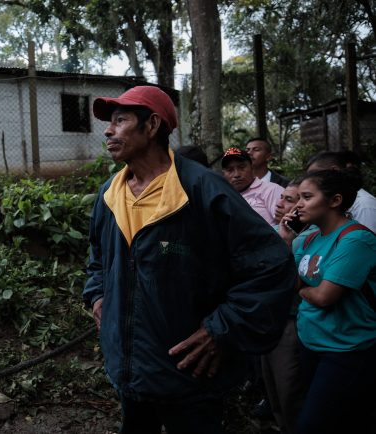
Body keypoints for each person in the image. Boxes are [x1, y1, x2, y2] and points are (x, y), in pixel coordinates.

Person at [83, 85, 297, 434]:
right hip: (130, 368)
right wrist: (97, 294)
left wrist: (222, 328)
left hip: (189, 375)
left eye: (120, 120)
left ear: (151, 125)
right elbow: (98, 257)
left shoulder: (202, 189)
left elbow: (271, 265)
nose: (108, 130)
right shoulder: (109, 193)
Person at [278, 169, 376, 434]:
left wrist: (303, 290)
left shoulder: (355, 239)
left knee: (314, 424)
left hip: (346, 350)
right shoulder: (308, 239)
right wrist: (287, 241)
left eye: (307, 197)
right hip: (311, 343)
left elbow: (323, 297)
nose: (298, 205)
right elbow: (290, 286)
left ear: (334, 201)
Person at [260, 181, 304, 434]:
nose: (280, 203)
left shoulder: (307, 237)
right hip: (269, 317)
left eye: (289, 200)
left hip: (292, 319)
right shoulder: (270, 229)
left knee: (290, 389)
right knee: (273, 386)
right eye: (282, 198)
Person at [305, 151, 376, 232]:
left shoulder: (364, 205)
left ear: (334, 170)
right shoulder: (329, 203)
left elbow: (365, 240)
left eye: (315, 174)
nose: (309, 179)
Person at [221, 147, 285, 225]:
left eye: (241, 167)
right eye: (230, 170)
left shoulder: (271, 190)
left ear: (252, 167)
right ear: (223, 173)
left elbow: (286, 225)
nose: (236, 174)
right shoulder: (223, 198)